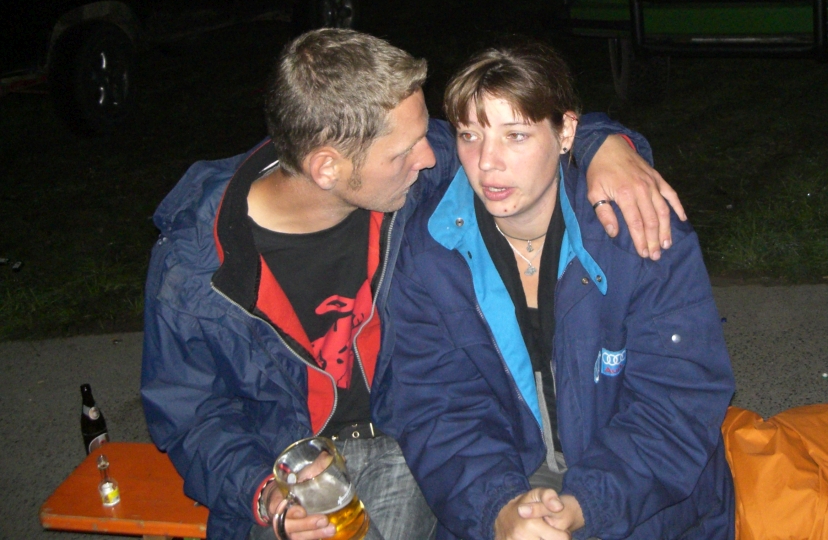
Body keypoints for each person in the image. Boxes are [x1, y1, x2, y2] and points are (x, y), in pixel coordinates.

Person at [141, 29, 685, 540]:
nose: (430, 156)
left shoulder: (411, 179)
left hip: (406, 440)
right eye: (405, 150)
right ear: (327, 168)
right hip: (287, 470)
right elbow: (192, 417)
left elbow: (524, 129)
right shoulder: (196, 270)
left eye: (425, 133)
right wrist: (261, 491)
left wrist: (607, 146)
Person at [371, 44, 735, 540]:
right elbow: (436, 406)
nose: (487, 163)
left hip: (643, 498)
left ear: (566, 134)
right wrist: (500, 508)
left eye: (516, 135)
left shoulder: (638, 229)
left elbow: (679, 400)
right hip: (503, 486)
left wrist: (585, 505)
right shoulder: (431, 248)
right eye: (470, 135)